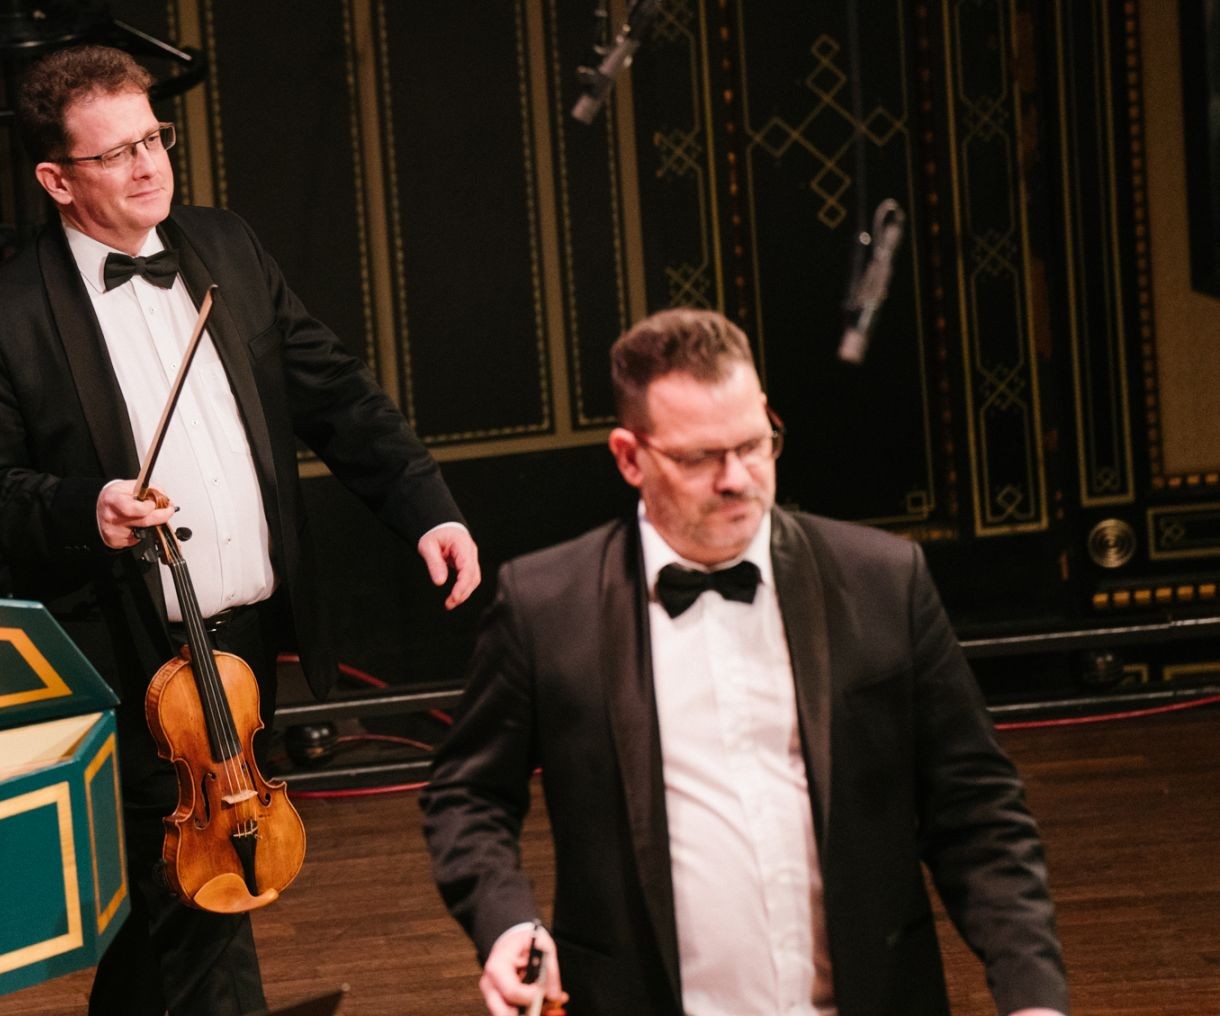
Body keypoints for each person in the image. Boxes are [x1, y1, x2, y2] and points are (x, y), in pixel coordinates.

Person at [0, 43, 480, 1016]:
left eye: (154, 138)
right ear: (57, 180)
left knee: (193, 902)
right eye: (117, 153)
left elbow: (335, 395)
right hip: (129, 654)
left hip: (241, 646)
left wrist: (426, 506)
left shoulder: (226, 246)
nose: (149, 164)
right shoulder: (1, 318)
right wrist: (86, 507)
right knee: (193, 897)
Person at [421, 307, 1066, 1016]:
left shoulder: (883, 580)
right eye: (699, 458)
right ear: (630, 457)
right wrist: (506, 923)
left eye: (755, 445)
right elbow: (469, 795)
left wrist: (1032, 997)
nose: (737, 479)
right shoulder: (547, 606)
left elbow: (976, 806)